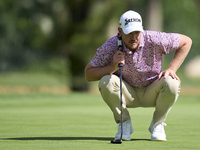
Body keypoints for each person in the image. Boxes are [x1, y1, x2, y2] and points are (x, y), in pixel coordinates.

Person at [85, 10, 192, 141]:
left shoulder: (154, 38)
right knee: (106, 80)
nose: (134, 37)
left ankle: (157, 124)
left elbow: (187, 42)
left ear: (142, 29)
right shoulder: (111, 45)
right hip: (126, 93)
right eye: (129, 32)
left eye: (137, 32)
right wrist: (111, 67)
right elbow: (88, 74)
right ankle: (124, 124)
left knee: (172, 82)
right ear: (120, 31)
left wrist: (172, 68)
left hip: (153, 91)